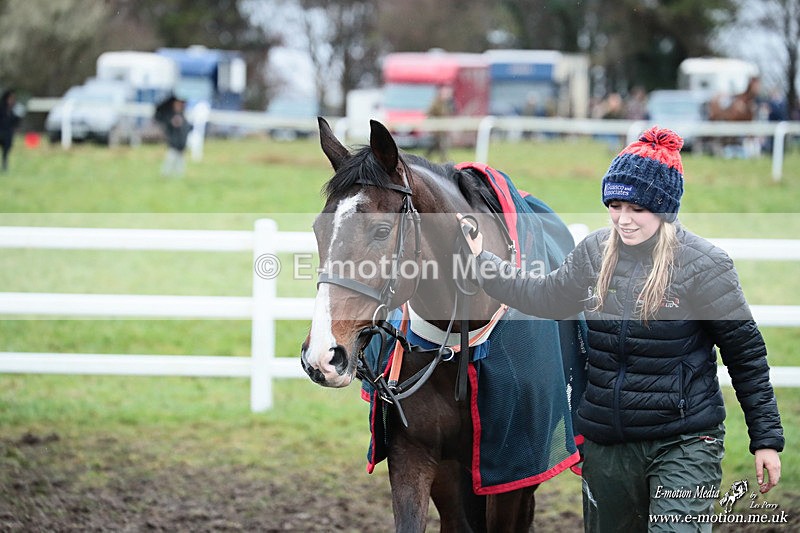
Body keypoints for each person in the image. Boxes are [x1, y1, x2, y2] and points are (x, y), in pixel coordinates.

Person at [458, 126, 783, 532]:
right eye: (615, 205)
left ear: (664, 208)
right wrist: (482, 261)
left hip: (684, 442)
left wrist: (766, 438)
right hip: (607, 445)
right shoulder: (595, 252)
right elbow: (544, 296)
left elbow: (746, 354)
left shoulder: (705, 265)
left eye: (636, 209)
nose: (623, 220)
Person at [155, 95, 192, 176]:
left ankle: (178, 176)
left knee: (180, 164)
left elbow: (188, 129)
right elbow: (166, 125)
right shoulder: (170, 115)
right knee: (170, 161)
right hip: (173, 144)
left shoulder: (184, 116)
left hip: (181, 144)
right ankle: (165, 175)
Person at [425, 85, 453, 161]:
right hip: (437, 130)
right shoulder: (436, 103)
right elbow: (429, 113)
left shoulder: (447, 104)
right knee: (439, 146)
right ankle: (444, 160)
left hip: (443, 130)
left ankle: (428, 158)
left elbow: (447, 115)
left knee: (437, 146)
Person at [0, 89, 22, 172]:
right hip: (1, 132)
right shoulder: (2, 109)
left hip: (8, 134)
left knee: (6, 151)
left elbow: (15, 122)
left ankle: (5, 166)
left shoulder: (13, 110)